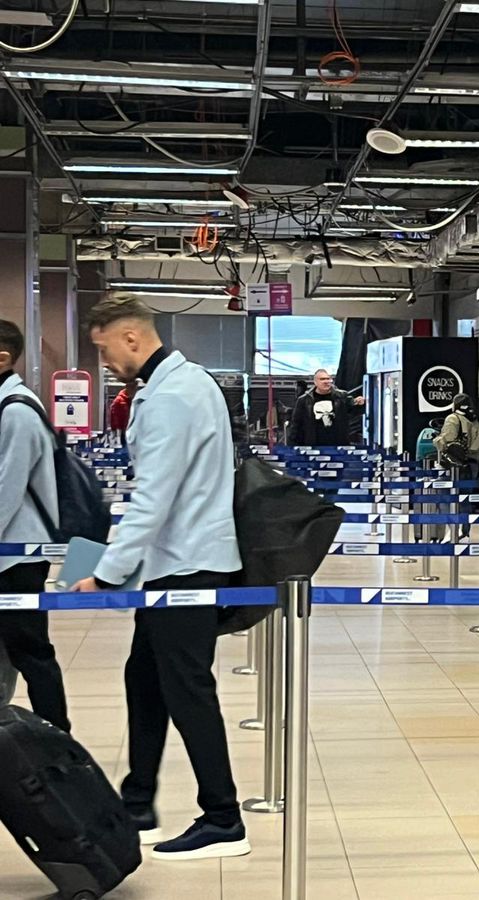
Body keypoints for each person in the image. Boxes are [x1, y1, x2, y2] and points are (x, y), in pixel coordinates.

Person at [71, 294, 249, 862]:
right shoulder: (182, 383)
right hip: (178, 561)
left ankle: (223, 819)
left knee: (187, 690)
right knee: (145, 679)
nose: (103, 362)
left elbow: (153, 498)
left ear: (131, 337)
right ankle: (137, 804)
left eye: (104, 350)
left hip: (188, 563)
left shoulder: (171, 396)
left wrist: (106, 574)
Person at [0, 320, 70, 733]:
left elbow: (6, 491)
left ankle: (60, 740)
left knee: (31, 652)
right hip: (9, 551)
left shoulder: (17, 411)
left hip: (17, 557)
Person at [434, 392, 479, 540]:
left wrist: (437, 440)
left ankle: (452, 530)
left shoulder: (453, 418)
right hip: (471, 463)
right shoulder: (474, 420)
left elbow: (446, 441)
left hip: (453, 465)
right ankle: (464, 530)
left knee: (444, 496)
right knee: (464, 498)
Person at [287, 368, 365, 446]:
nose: (326, 381)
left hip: (338, 443)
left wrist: (359, 404)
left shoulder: (342, 396)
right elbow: (296, 424)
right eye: (322, 379)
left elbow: (355, 412)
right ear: (315, 382)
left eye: (328, 379)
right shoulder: (304, 400)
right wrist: (292, 445)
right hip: (313, 443)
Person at [108, 378, 139, 443]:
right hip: (122, 432)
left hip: (132, 431)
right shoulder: (119, 401)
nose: (134, 390)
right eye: (132, 388)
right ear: (127, 387)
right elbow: (114, 419)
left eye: (134, 388)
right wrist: (115, 433)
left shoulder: (135, 400)